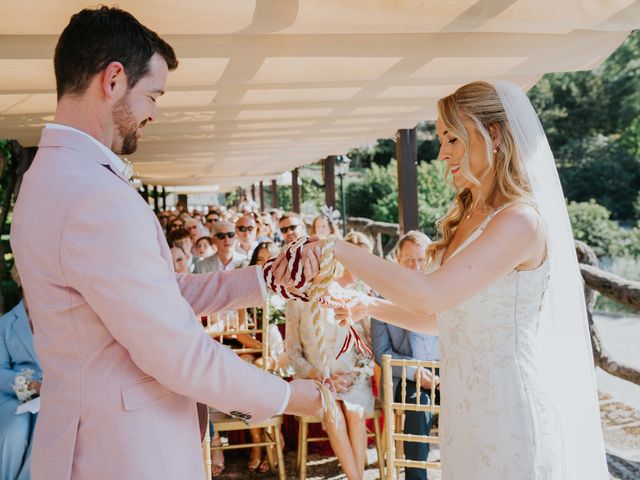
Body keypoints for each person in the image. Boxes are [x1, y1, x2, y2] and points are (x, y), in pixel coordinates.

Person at [10, 7, 322, 479]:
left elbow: (154, 294)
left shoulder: (45, 180)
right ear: (113, 79)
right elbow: (177, 354)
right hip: (125, 454)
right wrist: (289, 397)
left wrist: (264, 279)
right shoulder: (92, 194)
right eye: (152, 94)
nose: (154, 112)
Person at [294, 81, 608, 479]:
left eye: (451, 139)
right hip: (464, 408)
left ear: (492, 134)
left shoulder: (520, 221)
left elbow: (429, 296)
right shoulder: (469, 214)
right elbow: (444, 317)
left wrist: (337, 247)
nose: (442, 152)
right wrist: (369, 305)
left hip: (507, 407)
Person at [285, 240, 374, 480]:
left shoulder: (349, 297)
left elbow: (366, 348)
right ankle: (356, 478)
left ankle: (357, 477)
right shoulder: (296, 303)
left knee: (354, 413)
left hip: (353, 380)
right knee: (333, 414)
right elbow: (291, 353)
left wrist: (353, 375)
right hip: (317, 381)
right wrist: (317, 375)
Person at [371, 230, 439, 480]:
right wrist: (414, 371)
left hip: (446, 370)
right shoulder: (381, 299)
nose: (415, 266)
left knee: (469, 399)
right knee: (420, 404)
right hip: (403, 376)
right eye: (409, 260)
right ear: (397, 260)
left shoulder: (445, 294)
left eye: (421, 259)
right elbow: (381, 354)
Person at [0, 269, 42, 480]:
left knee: (46, 429)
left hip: (58, 391)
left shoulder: (61, 319)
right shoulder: (6, 323)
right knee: (14, 430)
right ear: (19, 279)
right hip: (14, 396)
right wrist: (29, 386)